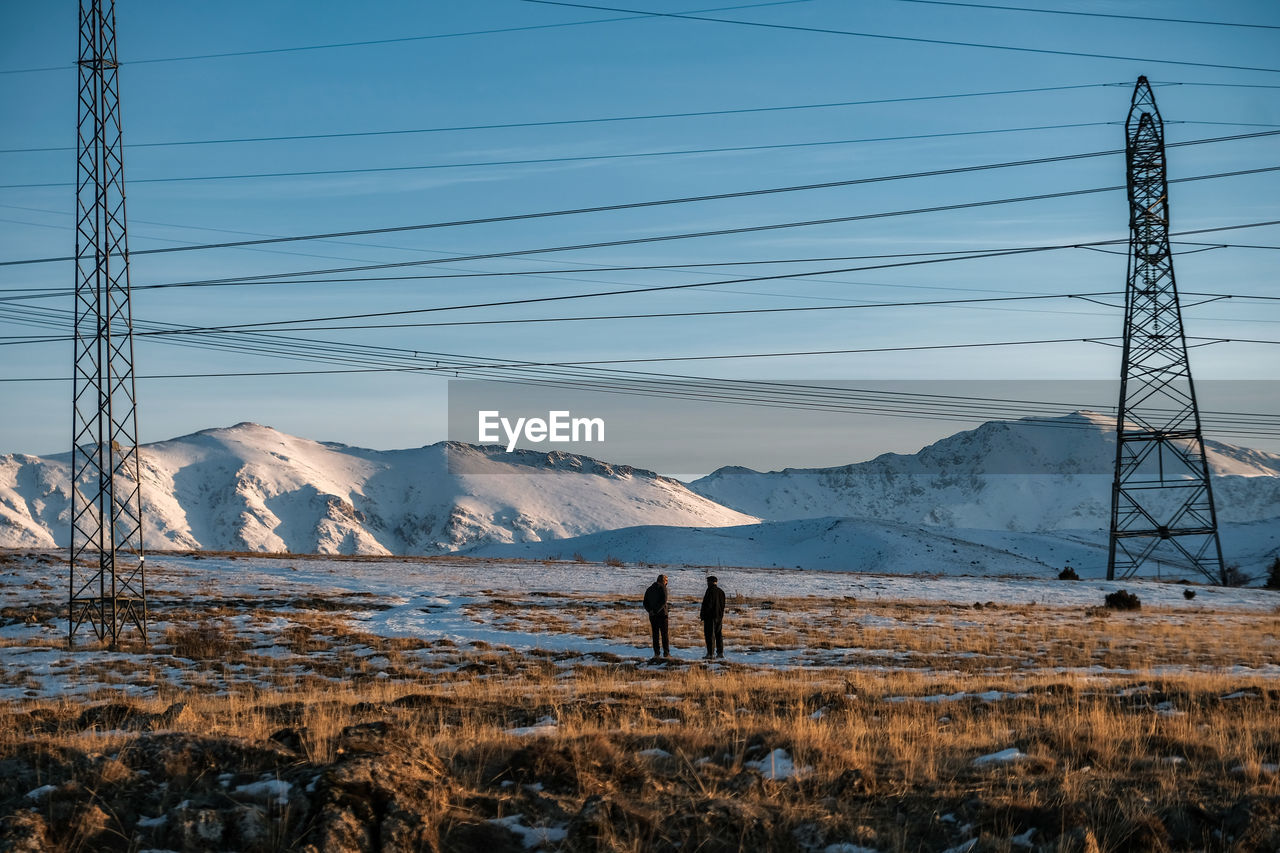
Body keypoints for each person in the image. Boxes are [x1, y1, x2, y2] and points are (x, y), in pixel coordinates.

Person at [642, 573, 670, 659]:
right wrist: (656, 611)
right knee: (664, 634)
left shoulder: (649, 589)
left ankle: (656, 653)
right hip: (662, 615)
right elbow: (664, 601)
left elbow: (645, 602)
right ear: (664, 581)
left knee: (655, 634)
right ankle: (666, 653)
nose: (667, 583)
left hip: (652, 616)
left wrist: (650, 611)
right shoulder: (663, 588)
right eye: (666, 581)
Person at [700, 575, 726, 659]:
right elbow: (723, 605)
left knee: (710, 635)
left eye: (708, 582)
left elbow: (708, 605)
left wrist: (703, 615)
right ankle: (720, 652)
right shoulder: (721, 591)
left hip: (710, 617)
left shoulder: (710, 591)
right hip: (719, 617)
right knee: (718, 634)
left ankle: (710, 654)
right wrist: (721, 615)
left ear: (710, 582)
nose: (707, 583)